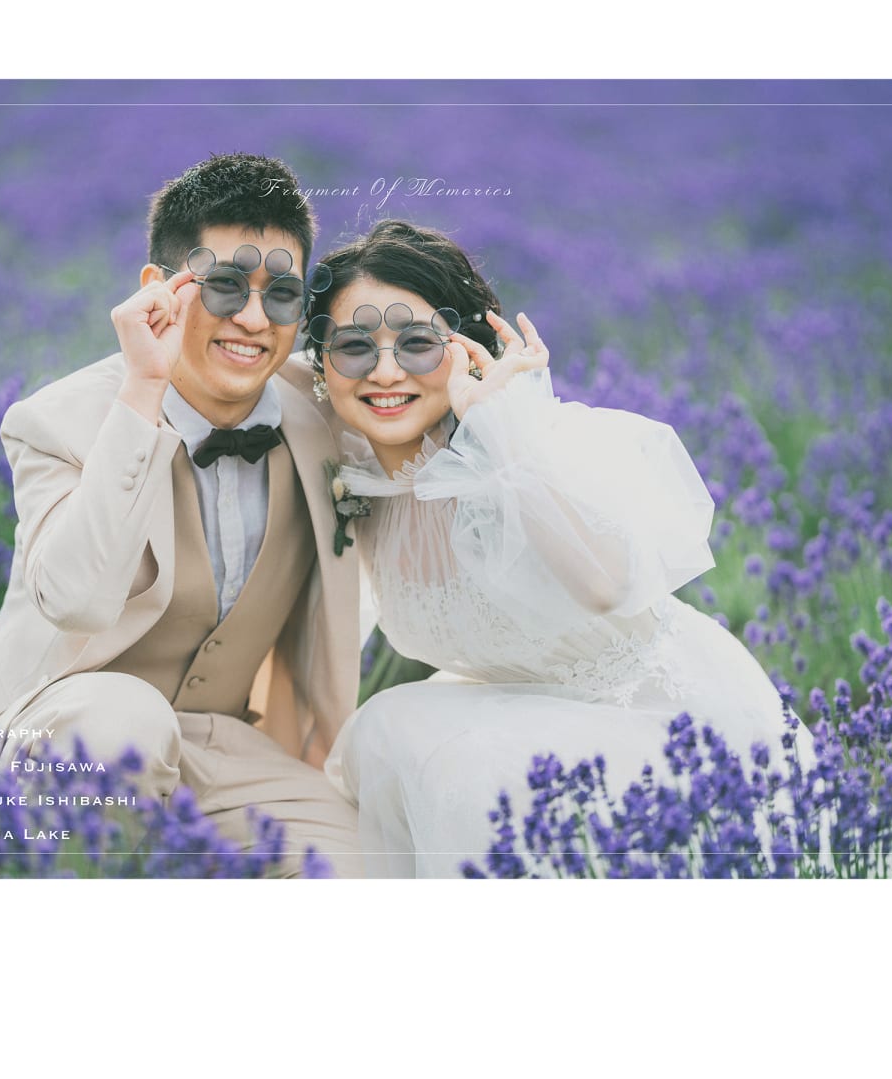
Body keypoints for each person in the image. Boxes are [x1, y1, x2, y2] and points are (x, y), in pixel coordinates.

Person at [303, 219, 812, 878]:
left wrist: (498, 430)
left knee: (442, 754)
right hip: (518, 719)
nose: (385, 371)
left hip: (662, 729)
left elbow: (605, 586)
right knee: (387, 730)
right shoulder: (351, 475)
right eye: (353, 347)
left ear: (467, 350)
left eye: (419, 344)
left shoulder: (514, 453)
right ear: (322, 362)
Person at [0, 153, 364, 877]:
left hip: (219, 746)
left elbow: (418, 411)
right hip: (51, 736)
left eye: (282, 295)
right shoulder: (56, 421)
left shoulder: (322, 415)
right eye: (224, 286)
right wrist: (143, 389)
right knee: (123, 729)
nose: (254, 319)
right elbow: (77, 601)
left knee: (357, 869)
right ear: (158, 288)